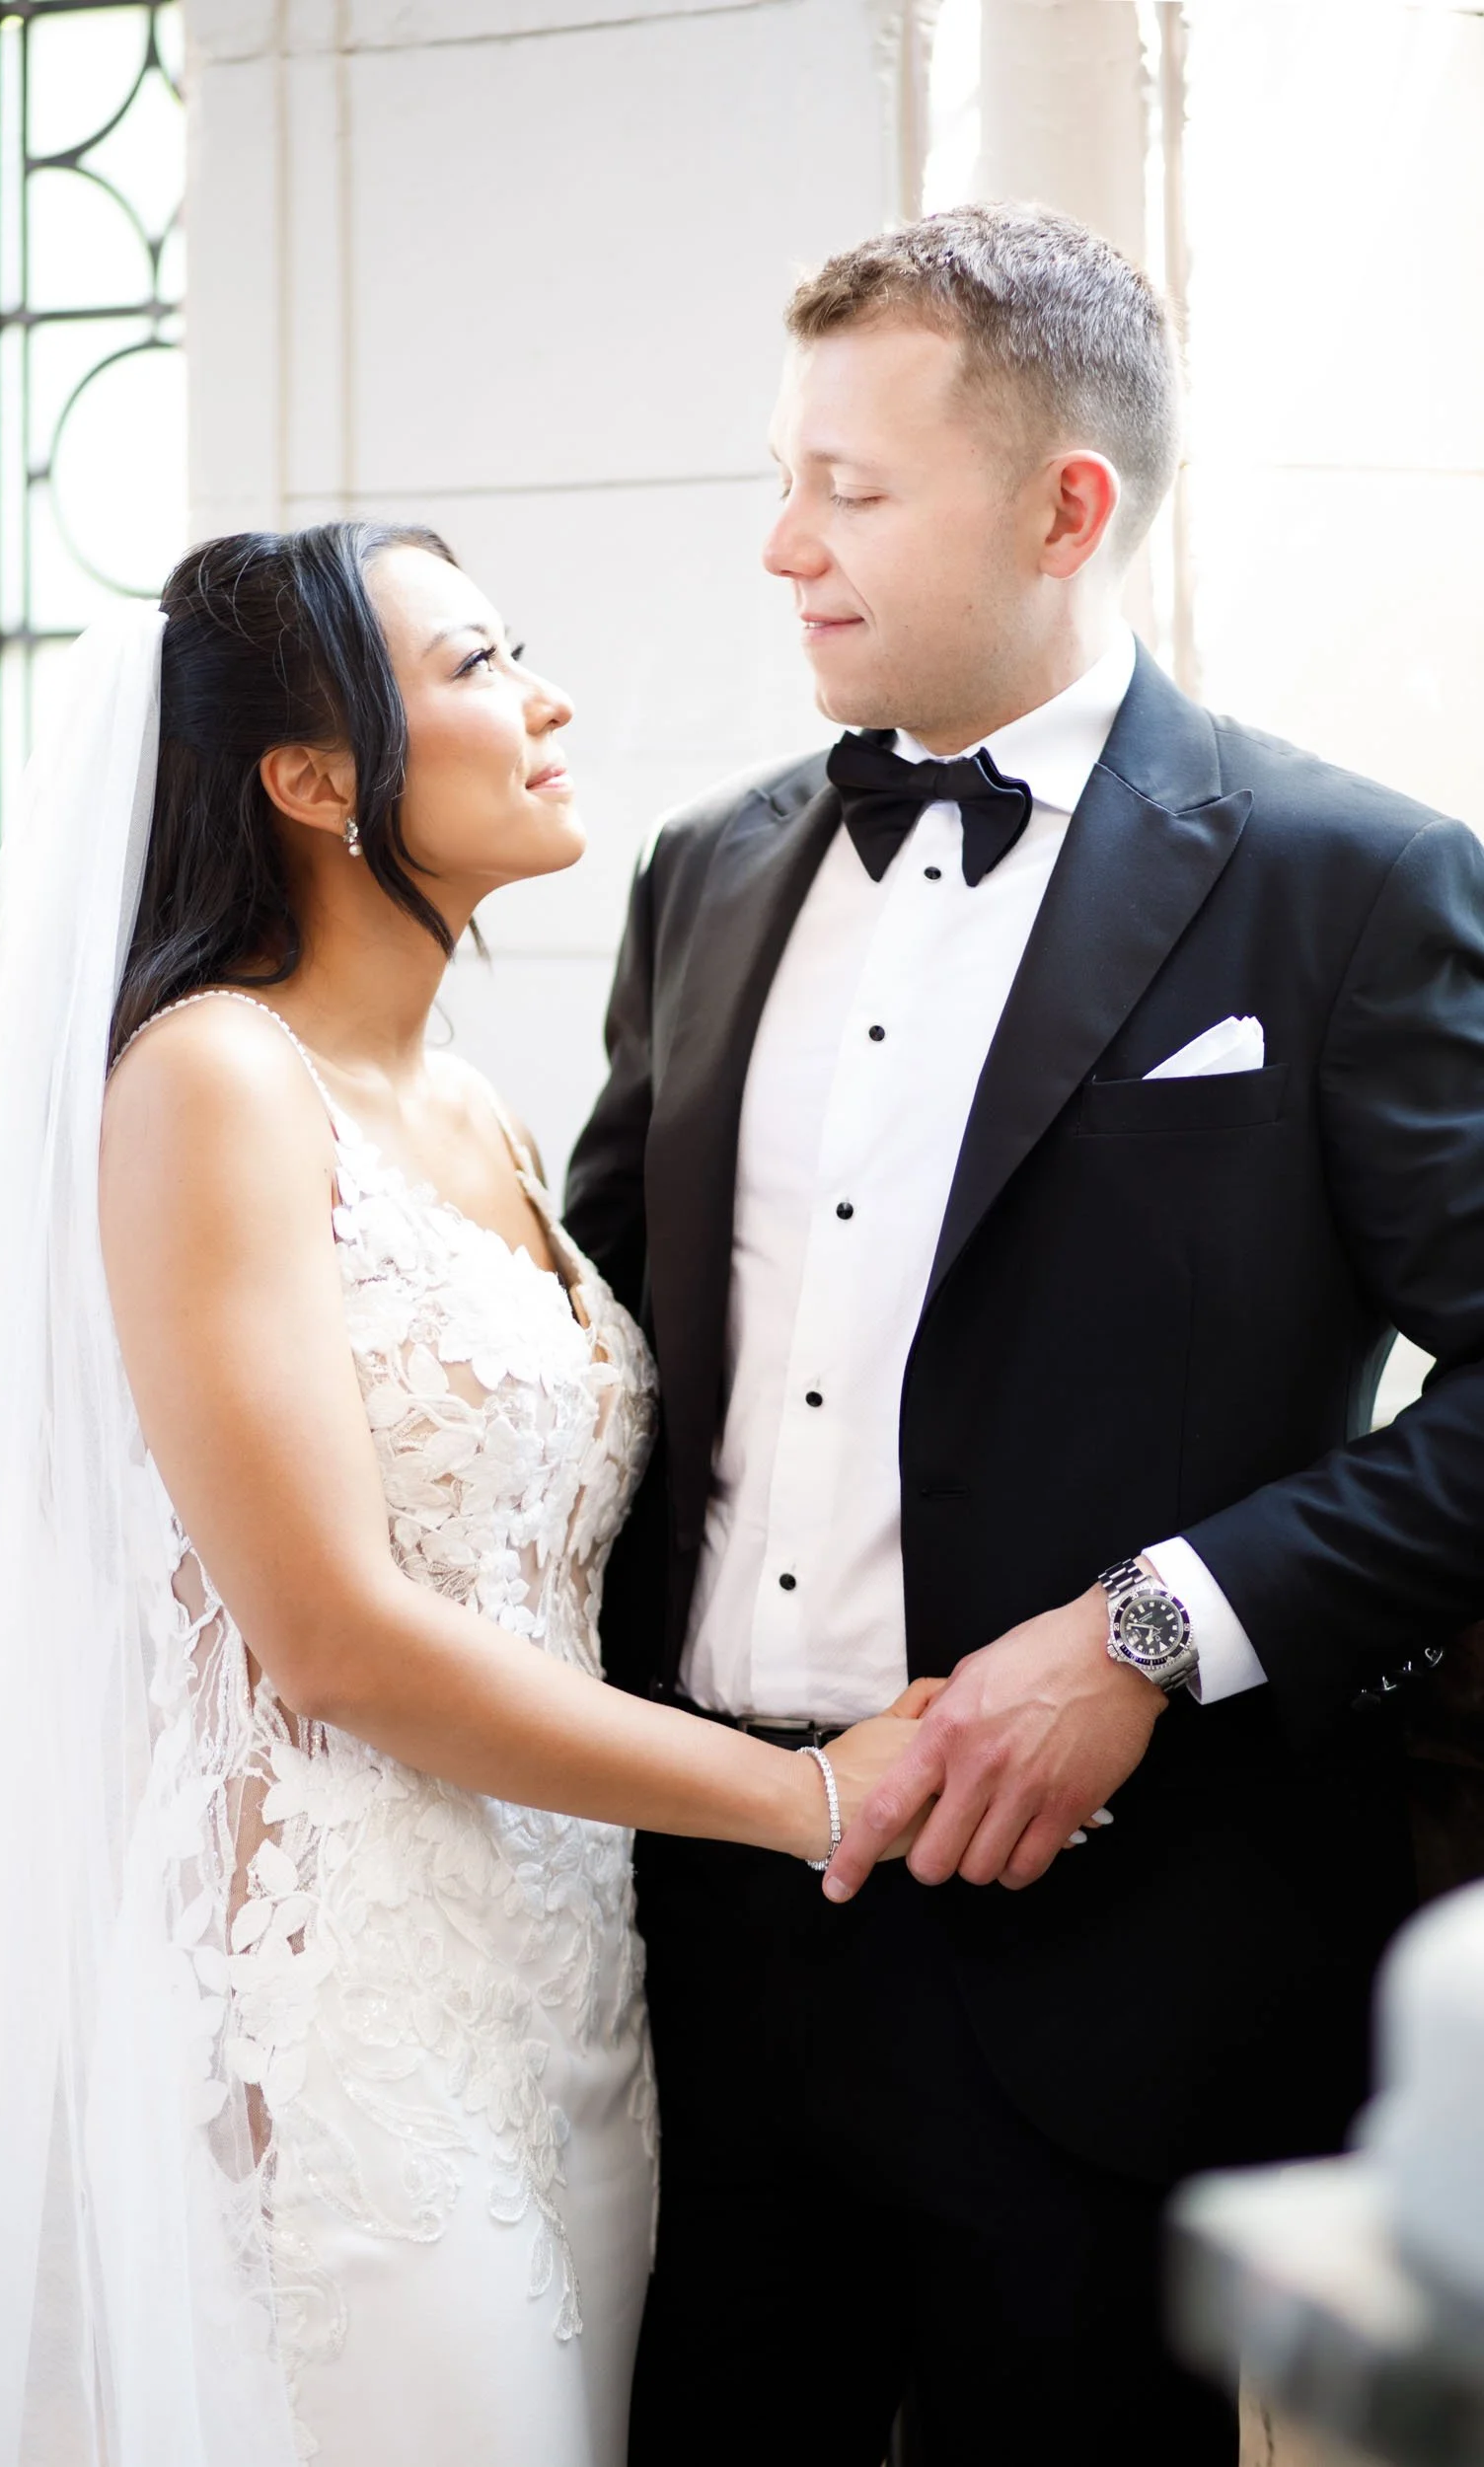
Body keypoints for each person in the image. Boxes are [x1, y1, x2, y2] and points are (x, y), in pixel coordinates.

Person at [565, 201, 1484, 2467]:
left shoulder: (1345, 881)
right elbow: (593, 1371)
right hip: (690, 1936)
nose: (783, 546)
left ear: (1067, 506)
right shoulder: (699, 870)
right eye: (780, 480)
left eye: (850, 490)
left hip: (1118, 1973)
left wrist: (1155, 1632)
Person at [0, 522, 927, 2467]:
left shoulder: (475, 1106)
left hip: (565, 1986)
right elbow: (332, 1634)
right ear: (312, 778)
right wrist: (811, 1790)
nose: (544, 700)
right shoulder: (211, 1082)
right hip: (340, 2019)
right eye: (476, 664)